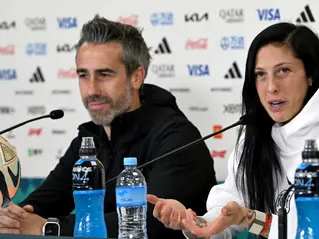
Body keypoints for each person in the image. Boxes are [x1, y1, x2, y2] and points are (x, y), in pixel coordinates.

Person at [0, 16, 217, 239]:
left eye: (104, 75)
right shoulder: (90, 138)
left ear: (136, 77)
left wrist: (47, 227)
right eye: (83, 75)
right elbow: (47, 198)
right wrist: (17, 217)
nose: (91, 89)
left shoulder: (178, 137)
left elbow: (150, 222)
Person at [147, 22, 319, 238]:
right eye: (260, 74)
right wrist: (194, 223)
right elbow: (228, 212)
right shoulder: (257, 134)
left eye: (283, 70)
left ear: (310, 75)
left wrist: (250, 218)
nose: (271, 87)